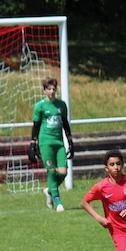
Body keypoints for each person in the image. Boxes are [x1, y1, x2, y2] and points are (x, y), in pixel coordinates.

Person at [29, 77, 73, 212]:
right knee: (51, 171)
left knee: (63, 172)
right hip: (45, 142)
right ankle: (58, 202)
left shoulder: (62, 105)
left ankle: (49, 191)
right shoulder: (40, 106)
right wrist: (32, 144)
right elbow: (36, 126)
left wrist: (70, 141)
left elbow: (65, 123)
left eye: (54, 89)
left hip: (59, 142)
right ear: (44, 90)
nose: (52, 91)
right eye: (49, 89)